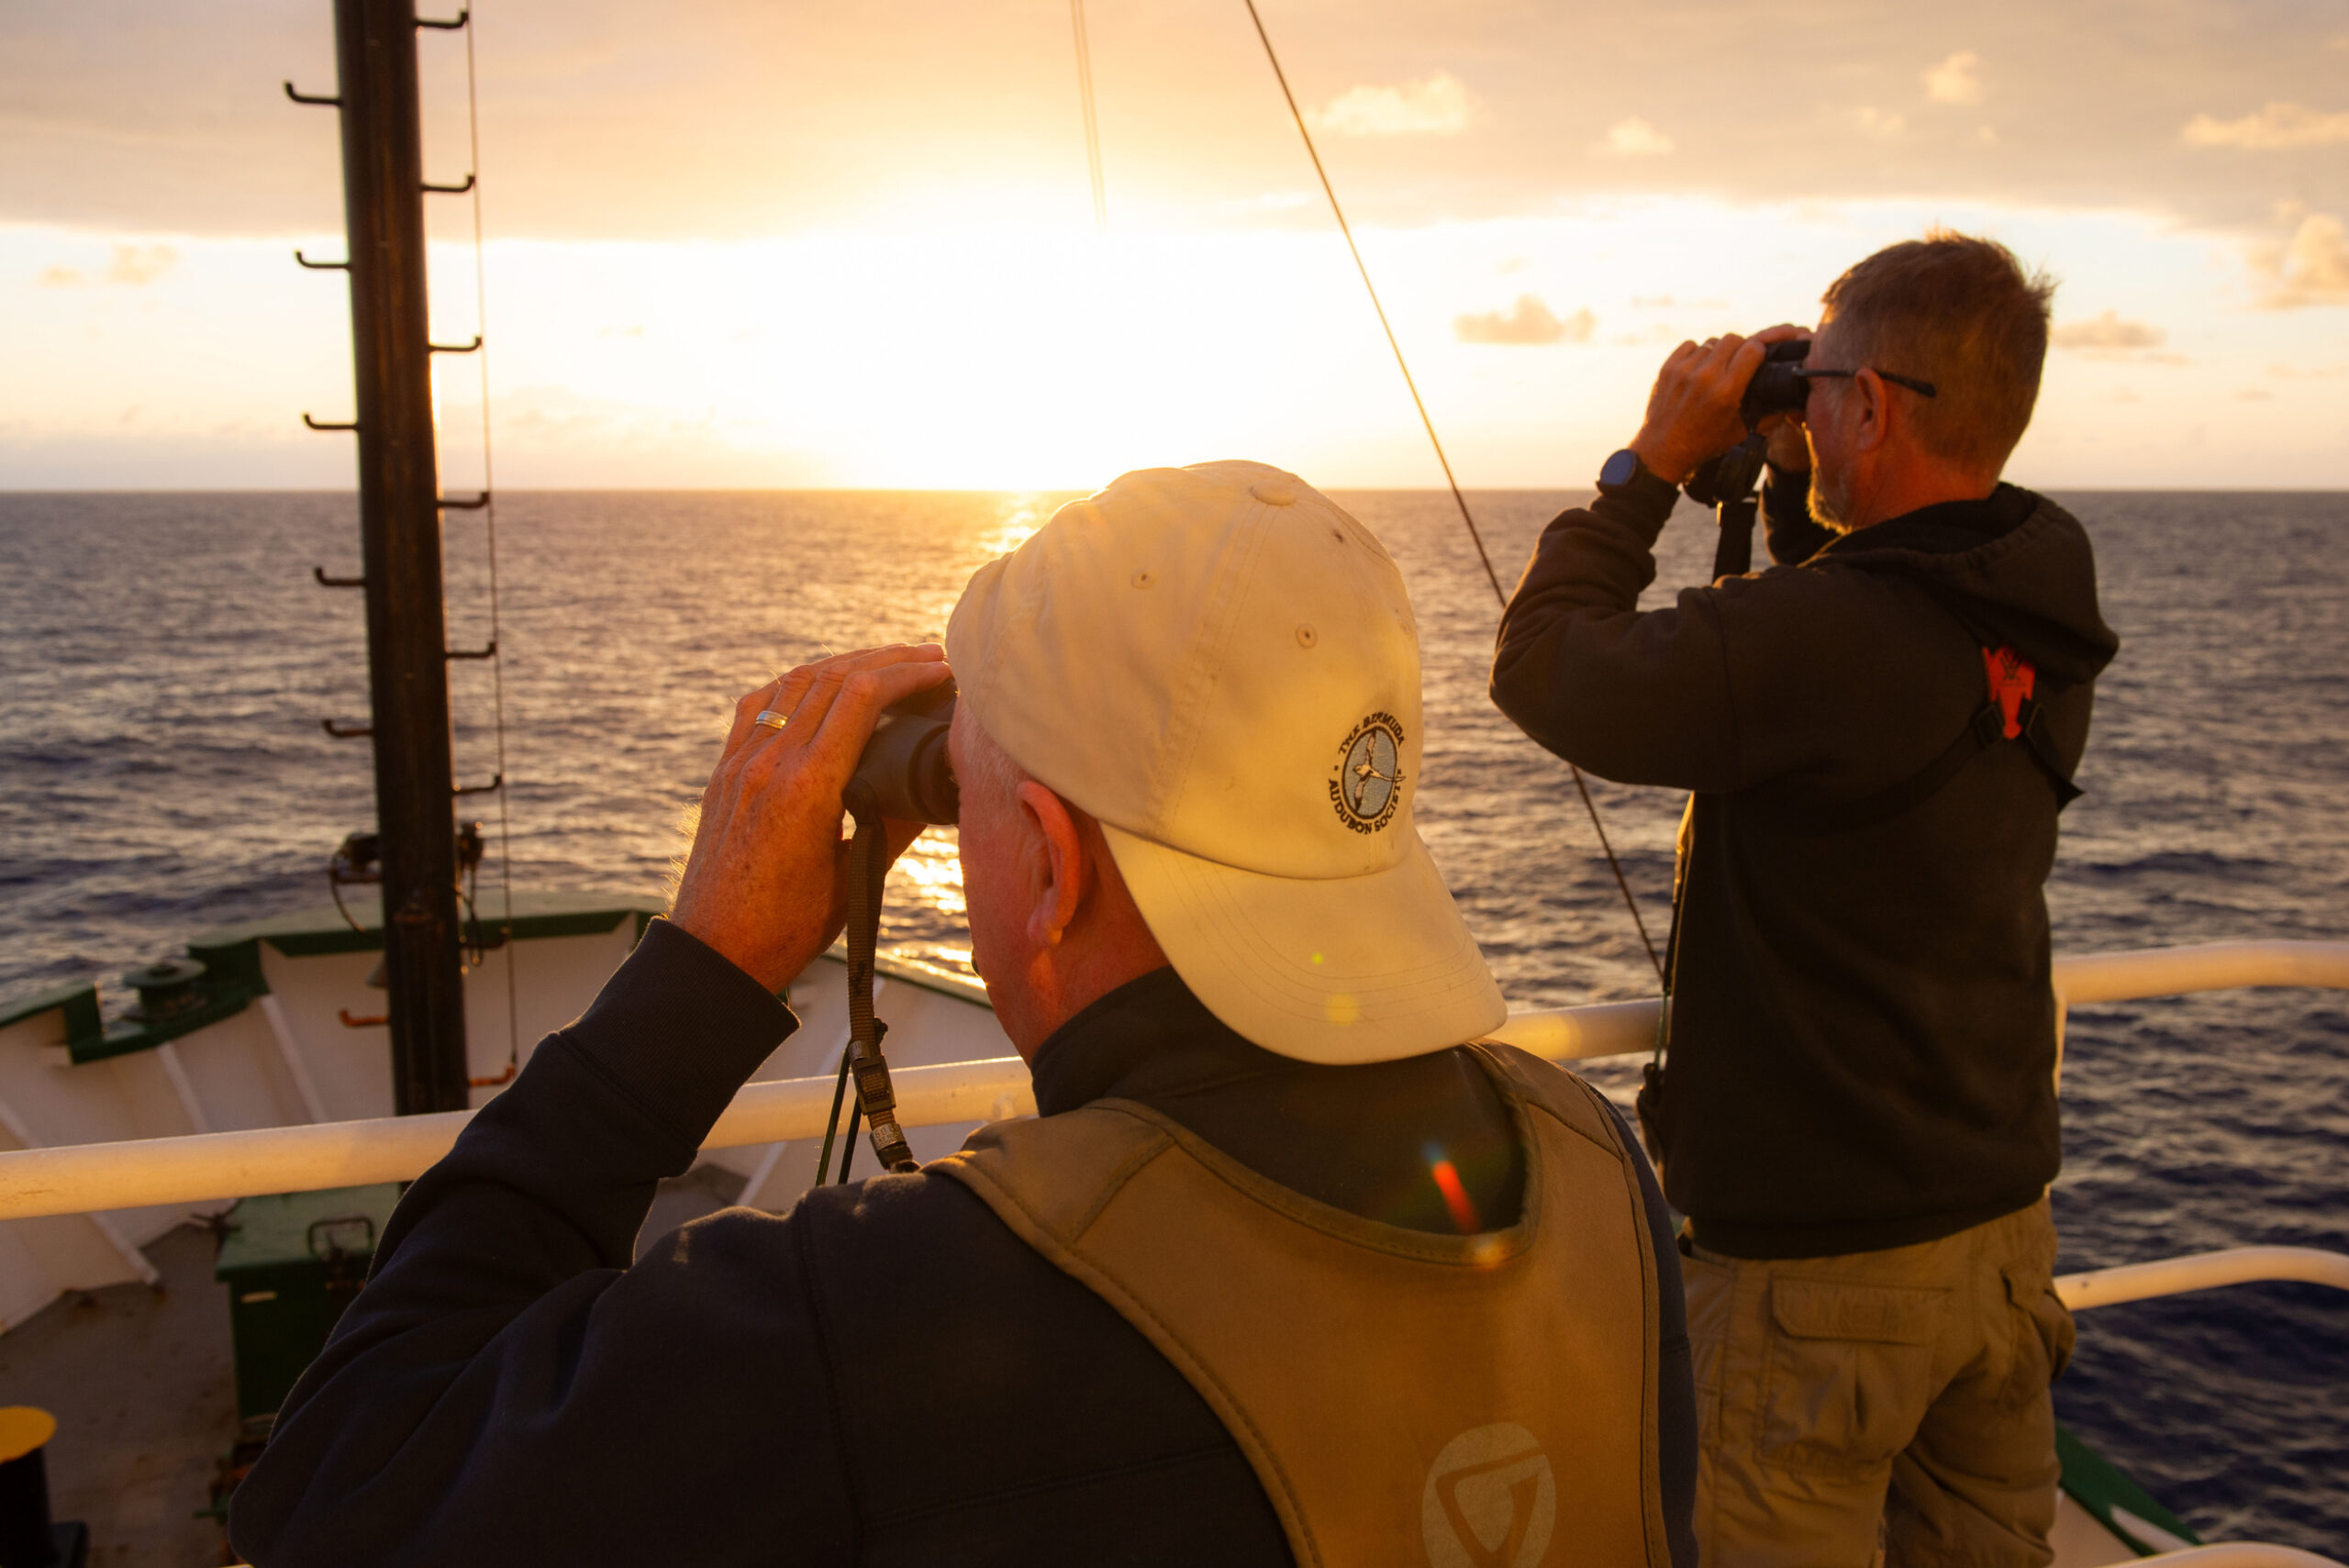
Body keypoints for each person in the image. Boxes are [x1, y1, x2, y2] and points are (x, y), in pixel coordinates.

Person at [230, 461, 1697, 1567]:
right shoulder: (1599, 1171)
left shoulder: (889, 1318)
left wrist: (708, 966)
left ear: (1047, 864)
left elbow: (342, 1488)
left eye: (972, 789)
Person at [1489, 233, 2121, 1566]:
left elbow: (1546, 665)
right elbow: (1871, 622)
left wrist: (1649, 468)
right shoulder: (2038, 598)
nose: (1810, 402)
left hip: (1819, 1284)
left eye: (1824, 384)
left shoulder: (1827, 642)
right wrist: (1795, 465)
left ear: (1877, 405)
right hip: (2000, 1243)